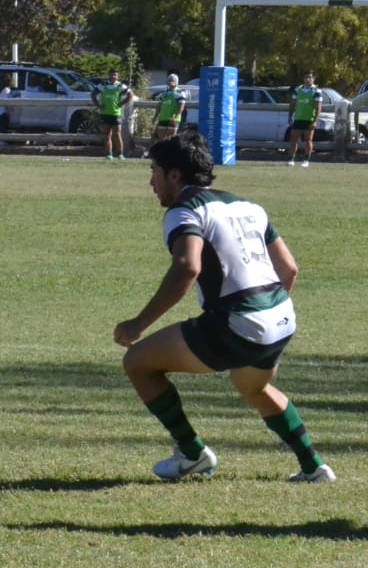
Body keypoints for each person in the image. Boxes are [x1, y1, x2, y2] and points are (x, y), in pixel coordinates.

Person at [115, 131, 335, 483]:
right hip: (281, 317)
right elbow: (289, 269)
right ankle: (313, 467)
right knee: (254, 388)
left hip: (241, 322)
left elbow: (187, 267)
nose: (150, 181)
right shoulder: (248, 206)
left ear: (175, 175)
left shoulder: (184, 211)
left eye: (155, 170)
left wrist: (138, 324)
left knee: (137, 362)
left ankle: (191, 452)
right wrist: (265, 319)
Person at [92, 69, 132, 160]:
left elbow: (130, 95)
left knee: (117, 134)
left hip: (116, 113)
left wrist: (122, 103)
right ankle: (109, 154)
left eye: (115, 75)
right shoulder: (103, 85)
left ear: (117, 76)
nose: (113, 77)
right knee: (107, 135)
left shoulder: (120, 85)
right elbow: (93, 94)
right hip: (105, 113)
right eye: (112, 75)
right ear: (109, 75)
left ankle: (120, 154)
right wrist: (98, 105)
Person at [287, 71, 322, 168]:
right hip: (298, 119)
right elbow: (293, 104)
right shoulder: (298, 90)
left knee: (308, 140)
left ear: (313, 79)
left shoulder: (316, 91)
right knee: (293, 139)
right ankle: (291, 159)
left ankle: (306, 160)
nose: (308, 80)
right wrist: (290, 116)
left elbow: (318, 107)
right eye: (306, 77)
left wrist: (315, 121)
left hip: (309, 119)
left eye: (310, 78)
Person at [147, 74, 188, 157]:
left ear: (177, 82)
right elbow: (159, 106)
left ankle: (172, 156)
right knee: (161, 139)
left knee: (172, 139)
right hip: (163, 119)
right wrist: (155, 117)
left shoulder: (179, 93)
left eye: (173, 80)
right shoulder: (163, 94)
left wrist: (176, 117)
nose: (171, 82)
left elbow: (181, 107)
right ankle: (163, 156)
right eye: (169, 80)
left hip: (173, 119)